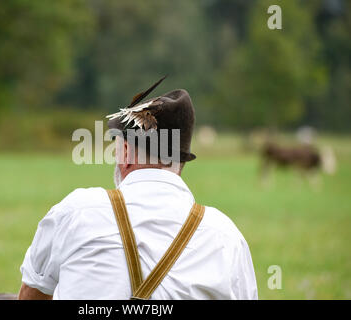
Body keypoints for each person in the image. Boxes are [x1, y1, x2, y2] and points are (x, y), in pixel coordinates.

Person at [18, 78, 258, 300]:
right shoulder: (226, 238)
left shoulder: (75, 213)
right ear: (180, 162)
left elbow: (31, 295)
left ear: (125, 153)